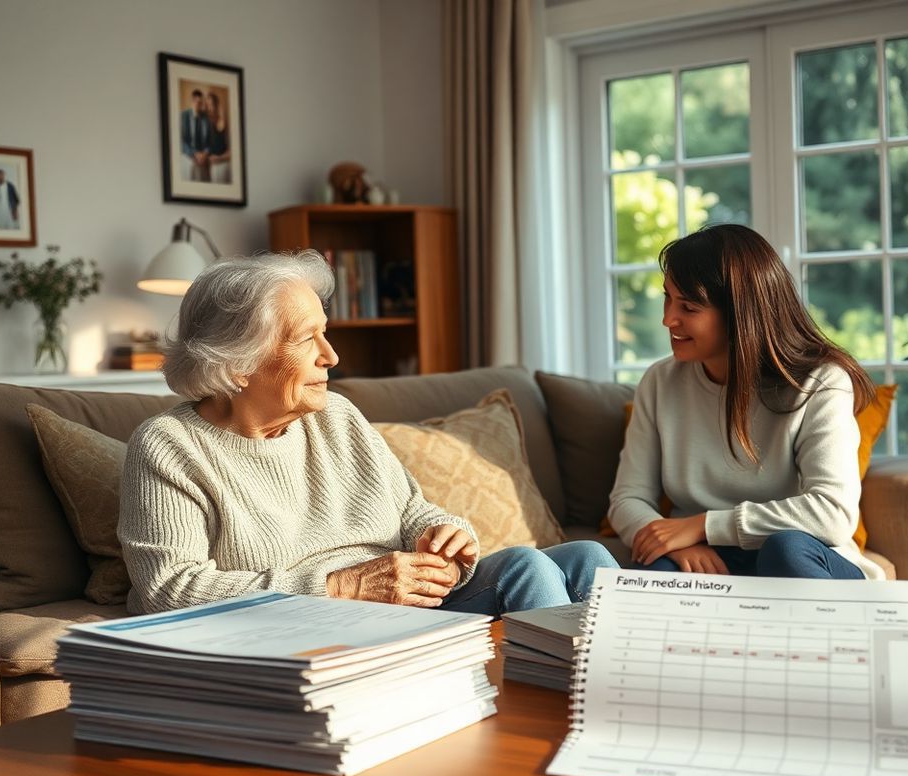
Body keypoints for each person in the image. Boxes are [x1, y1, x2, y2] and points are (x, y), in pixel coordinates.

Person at [118, 251, 616, 617]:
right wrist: (341, 586)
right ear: (238, 363)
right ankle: (574, 721)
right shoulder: (170, 446)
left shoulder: (337, 416)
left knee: (589, 557)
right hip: (316, 619)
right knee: (525, 568)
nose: (330, 356)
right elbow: (171, 588)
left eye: (325, 332)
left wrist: (445, 536)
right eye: (304, 340)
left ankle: (644, 698)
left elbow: (411, 510)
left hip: (400, 602)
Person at [608, 224, 884, 580]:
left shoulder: (821, 382)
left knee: (785, 549)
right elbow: (627, 497)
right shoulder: (660, 381)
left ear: (740, 313)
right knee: (659, 568)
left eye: (688, 307)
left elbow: (832, 513)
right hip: (704, 557)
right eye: (667, 298)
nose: (667, 319)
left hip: (803, 557)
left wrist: (703, 526)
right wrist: (678, 544)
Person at [179, 88, 210, 182]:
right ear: (192, 101)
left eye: (201, 103)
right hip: (188, 153)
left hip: (202, 155)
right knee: (191, 166)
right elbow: (181, 141)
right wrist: (194, 153)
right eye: (196, 102)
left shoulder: (205, 117)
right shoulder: (183, 116)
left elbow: (209, 141)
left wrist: (205, 153)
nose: (199, 105)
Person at [205, 91, 231, 184]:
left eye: (211, 105)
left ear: (216, 106)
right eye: (207, 105)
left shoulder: (220, 122)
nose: (209, 108)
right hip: (213, 165)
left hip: (222, 164)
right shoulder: (207, 123)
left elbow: (230, 151)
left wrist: (219, 158)